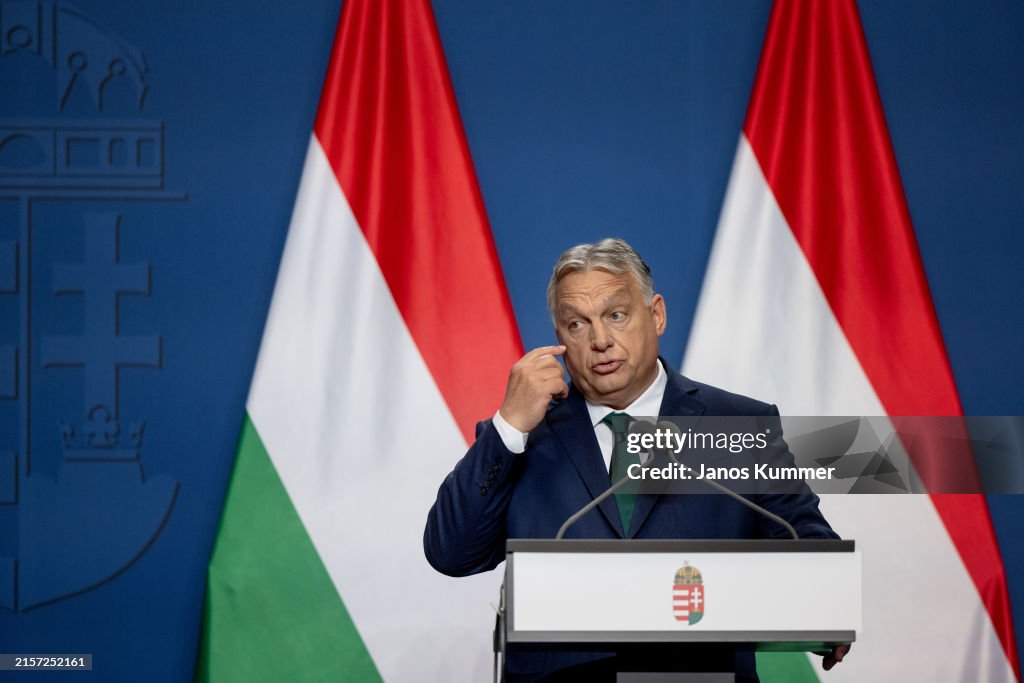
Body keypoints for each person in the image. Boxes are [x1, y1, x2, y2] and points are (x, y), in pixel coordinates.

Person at [423, 238, 848, 681]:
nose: (601, 340)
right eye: (577, 324)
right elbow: (451, 553)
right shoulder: (524, 438)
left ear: (657, 314)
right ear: (559, 338)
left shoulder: (740, 423)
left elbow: (802, 537)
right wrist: (508, 426)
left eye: (616, 315)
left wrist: (828, 594)